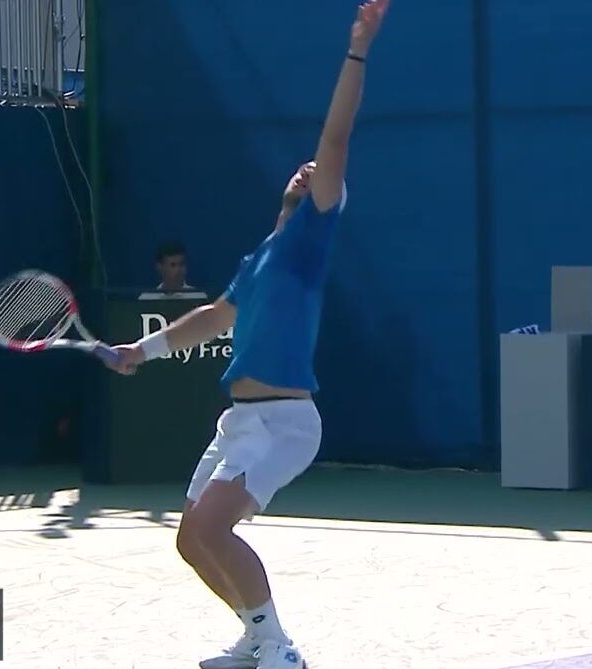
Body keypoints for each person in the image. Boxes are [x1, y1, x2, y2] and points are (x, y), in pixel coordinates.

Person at [105, 3, 389, 667]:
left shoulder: (310, 239)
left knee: (211, 525)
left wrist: (358, 48)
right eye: (300, 170)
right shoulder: (257, 260)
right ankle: (256, 635)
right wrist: (138, 350)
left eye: (316, 174)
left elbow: (337, 137)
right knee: (189, 539)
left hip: (288, 421)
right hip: (241, 421)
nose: (307, 169)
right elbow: (209, 319)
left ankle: (280, 644)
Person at [138, 241, 209, 300]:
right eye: (173, 265)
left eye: (181, 264)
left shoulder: (197, 297)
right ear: (159, 267)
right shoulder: (147, 299)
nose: (178, 270)